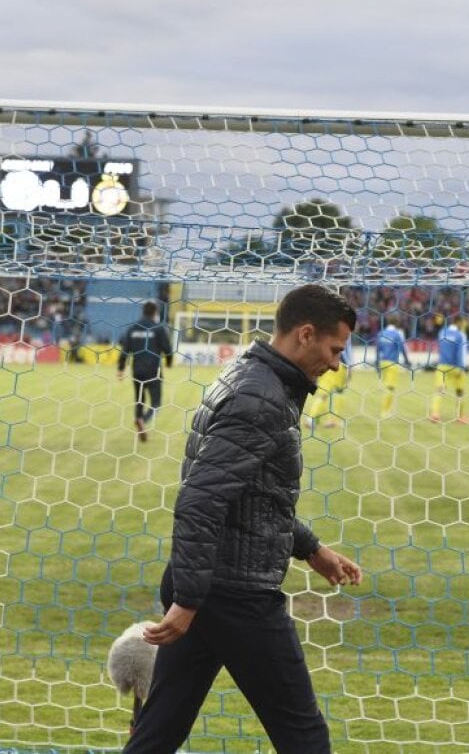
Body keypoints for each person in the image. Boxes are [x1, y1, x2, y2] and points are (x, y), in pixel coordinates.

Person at [123, 284, 363, 754]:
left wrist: (312, 549)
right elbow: (201, 500)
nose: (337, 363)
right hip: (236, 595)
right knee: (304, 736)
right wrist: (190, 600)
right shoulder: (261, 397)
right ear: (305, 334)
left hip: (211, 588)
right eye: (335, 349)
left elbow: (252, 497)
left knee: (158, 734)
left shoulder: (252, 379)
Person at [117, 300, 175, 442]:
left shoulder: (133, 328)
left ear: (142, 312)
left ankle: (139, 420)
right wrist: (169, 362)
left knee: (139, 400)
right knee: (156, 403)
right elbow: (168, 349)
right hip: (153, 370)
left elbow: (124, 350)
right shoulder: (158, 328)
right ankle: (143, 420)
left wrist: (120, 369)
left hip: (137, 370)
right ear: (155, 313)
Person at [305, 335, 352, 429]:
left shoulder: (325, 327)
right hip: (338, 364)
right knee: (339, 392)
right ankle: (331, 420)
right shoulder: (345, 330)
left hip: (324, 363)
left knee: (323, 393)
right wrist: (349, 366)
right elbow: (347, 350)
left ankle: (312, 418)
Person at [430, 314, 469, 424]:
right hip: (455, 366)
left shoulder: (442, 332)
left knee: (439, 390)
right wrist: (461, 368)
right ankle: (460, 416)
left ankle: (435, 414)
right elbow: (460, 352)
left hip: (442, 365)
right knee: (460, 392)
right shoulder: (460, 335)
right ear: (459, 322)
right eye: (463, 322)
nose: (463, 325)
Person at [375, 316, 412, 418]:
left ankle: (389, 410)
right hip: (392, 363)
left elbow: (377, 349)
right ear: (397, 323)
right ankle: (384, 412)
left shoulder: (381, 333)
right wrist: (407, 361)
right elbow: (402, 348)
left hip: (382, 363)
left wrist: (377, 362)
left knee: (387, 387)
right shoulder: (397, 334)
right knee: (390, 388)